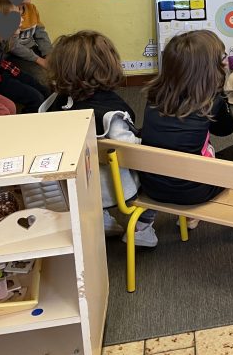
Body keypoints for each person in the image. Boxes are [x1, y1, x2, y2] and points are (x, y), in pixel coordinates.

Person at [39, 30, 156, 246]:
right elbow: (132, 152)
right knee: (157, 177)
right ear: (107, 67)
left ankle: (101, 220)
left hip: (71, 186)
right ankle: (141, 230)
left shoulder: (53, 103)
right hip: (113, 189)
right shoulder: (111, 116)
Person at [138, 30, 233, 214]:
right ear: (209, 71)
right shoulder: (211, 102)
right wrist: (220, 91)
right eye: (222, 58)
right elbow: (226, 129)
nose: (225, 62)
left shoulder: (154, 96)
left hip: (152, 187)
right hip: (195, 191)